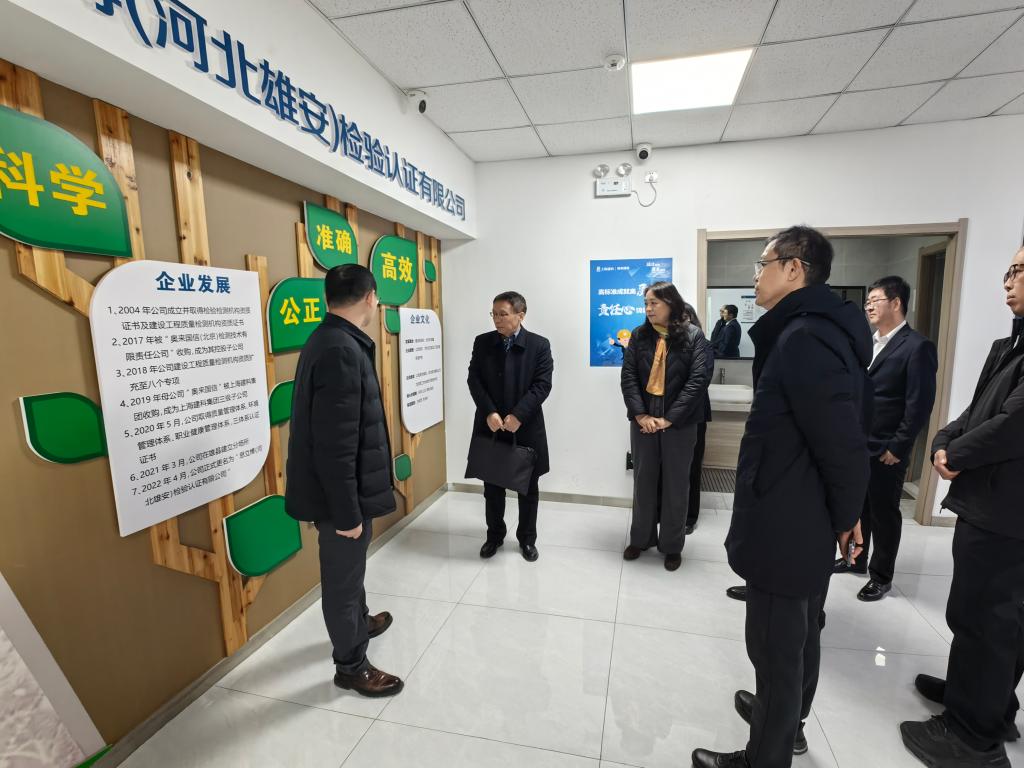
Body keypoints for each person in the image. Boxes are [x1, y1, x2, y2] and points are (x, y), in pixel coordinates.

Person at [693, 226, 871, 768]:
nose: (755, 275)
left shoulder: (804, 338)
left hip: (786, 523)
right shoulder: (815, 330)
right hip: (801, 514)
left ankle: (764, 756)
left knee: (776, 650)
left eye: (763, 263)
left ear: (794, 269)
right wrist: (846, 512)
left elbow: (840, 440)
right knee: (798, 636)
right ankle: (785, 717)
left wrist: (849, 513)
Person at [900, 246, 1024, 768]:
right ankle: (985, 705)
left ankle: (972, 740)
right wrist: (942, 440)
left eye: (1019, 271)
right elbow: (978, 411)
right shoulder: (1011, 344)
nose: (1008, 281)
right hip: (991, 503)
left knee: (987, 620)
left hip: (1007, 512)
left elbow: (1013, 425)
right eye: (1009, 270)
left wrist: (955, 453)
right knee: (988, 617)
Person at [285, 264, 403, 698]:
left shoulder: (331, 338)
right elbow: (335, 445)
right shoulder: (340, 350)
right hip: (341, 500)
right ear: (370, 298)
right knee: (342, 581)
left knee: (351, 573)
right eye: (377, 297)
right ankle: (351, 667)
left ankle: (360, 622)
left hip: (343, 493)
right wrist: (347, 513)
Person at [834, 276, 937, 602]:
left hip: (887, 448)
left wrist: (898, 445)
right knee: (859, 505)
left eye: (875, 300)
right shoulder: (868, 343)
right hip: (859, 443)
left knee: (884, 512)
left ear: (896, 303)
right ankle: (856, 559)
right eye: (868, 301)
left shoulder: (917, 346)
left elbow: (919, 404)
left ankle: (881, 575)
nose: (868, 306)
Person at [620, 282, 710, 571]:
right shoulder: (639, 335)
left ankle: (672, 546)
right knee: (643, 481)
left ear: (671, 303)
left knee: (676, 484)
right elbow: (629, 377)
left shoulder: (693, 336)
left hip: (680, 425)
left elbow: (698, 380)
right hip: (644, 423)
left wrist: (670, 418)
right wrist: (640, 415)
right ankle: (641, 538)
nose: (648, 309)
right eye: (645, 303)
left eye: (654, 303)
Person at [468, 291, 553, 562]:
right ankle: (494, 535)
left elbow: (542, 385)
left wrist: (518, 415)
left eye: (503, 314)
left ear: (520, 315)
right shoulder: (483, 342)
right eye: (493, 314)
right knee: (492, 486)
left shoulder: (539, 345)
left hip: (525, 426)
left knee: (527, 487)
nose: (497, 319)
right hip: (491, 425)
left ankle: (527, 539)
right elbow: (474, 380)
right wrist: (489, 411)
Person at [683, 301, 714, 536]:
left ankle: (689, 517)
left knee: (692, 467)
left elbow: (701, 380)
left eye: (683, 318)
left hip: (694, 415)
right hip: (667, 418)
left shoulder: (703, 344)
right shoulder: (664, 345)